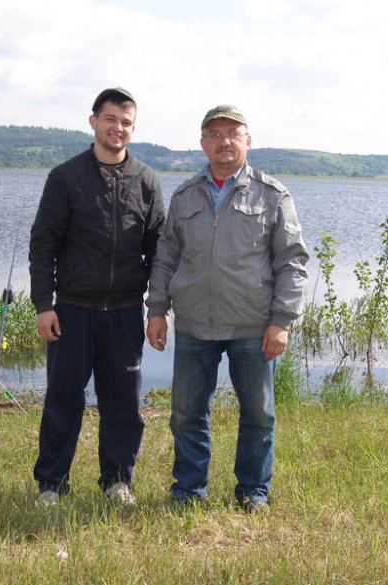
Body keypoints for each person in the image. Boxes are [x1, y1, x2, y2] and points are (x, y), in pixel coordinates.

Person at [145, 105, 308, 512]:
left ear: (248, 141)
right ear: (203, 144)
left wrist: (281, 321)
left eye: (233, 133)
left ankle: (253, 492)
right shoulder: (184, 196)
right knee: (186, 414)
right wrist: (157, 310)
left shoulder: (273, 195)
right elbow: (165, 258)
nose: (224, 141)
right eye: (215, 134)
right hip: (195, 325)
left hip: (253, 327)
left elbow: (292, 261)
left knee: (258, 415)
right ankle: (187, 491)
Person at [29, 87, 165, 507]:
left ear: (132, 128)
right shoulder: (65, 178)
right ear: (93, 122)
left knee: (124, 405)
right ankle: (52, 484)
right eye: (110, 119)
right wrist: (43, 305)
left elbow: (160, 249)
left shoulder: (146, 181)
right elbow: (42, 244)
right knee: (63, 402)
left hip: (125, 313)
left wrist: (157, 308)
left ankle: (116, 481)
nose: (117, 128)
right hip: (72, 311)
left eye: (126, 123)